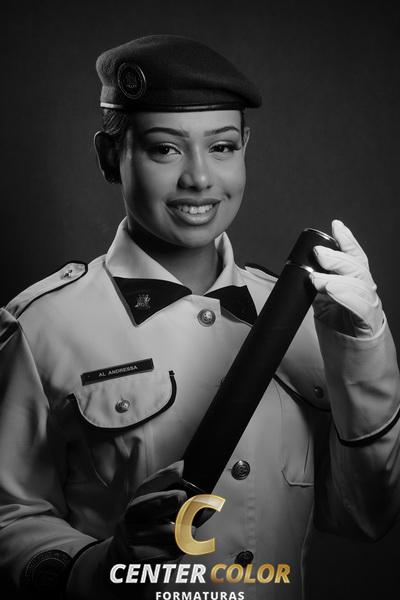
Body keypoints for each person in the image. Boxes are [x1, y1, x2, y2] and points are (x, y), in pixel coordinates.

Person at [0, 34, 399, 600]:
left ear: (245, 148)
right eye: (165, 149)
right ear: (111, 155)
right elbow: (10, 516)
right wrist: (103, 566)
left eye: (223, 147)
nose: (200, 178)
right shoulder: (41, 327)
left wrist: (365, 349)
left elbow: (366, 516)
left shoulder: (306, 314)